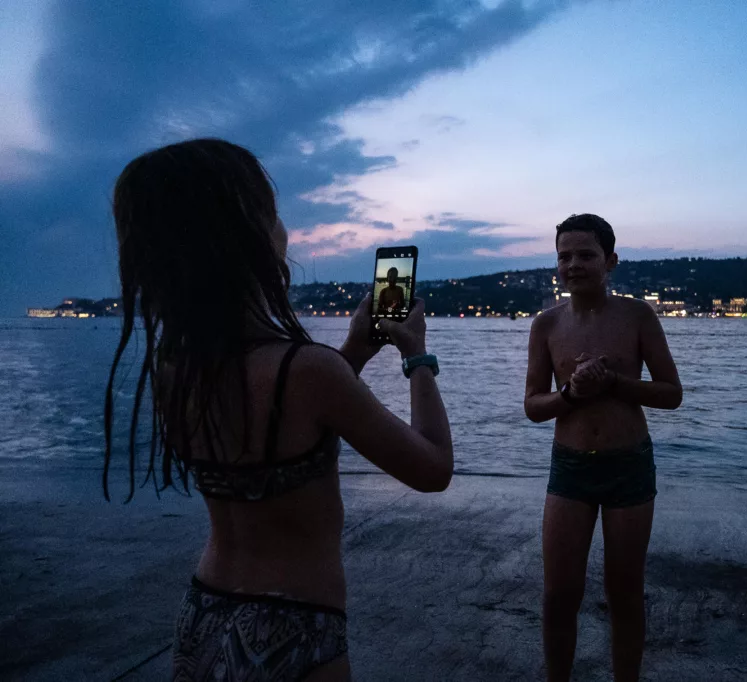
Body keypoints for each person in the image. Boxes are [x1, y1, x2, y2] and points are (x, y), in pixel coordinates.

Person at [103, 138, 452, 682]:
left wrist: (355, 351)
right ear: (249, 237)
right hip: (296, 626)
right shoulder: (308, 371)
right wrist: (416, 353)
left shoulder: (178, 368)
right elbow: (432, 468)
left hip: (204, 615)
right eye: (273, 212)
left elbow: (285, 420)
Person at [524, 214, 682, 682]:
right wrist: (572, 393)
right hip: (570, 468)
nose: (573, 264)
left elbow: (671, 393)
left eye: (585, 255)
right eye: (564, 256)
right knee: (559, 594)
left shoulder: (637, 316)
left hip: (628, 466)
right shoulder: (546, 325)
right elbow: (534, 406)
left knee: (625, 591)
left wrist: (613, 382)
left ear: (610, 261)